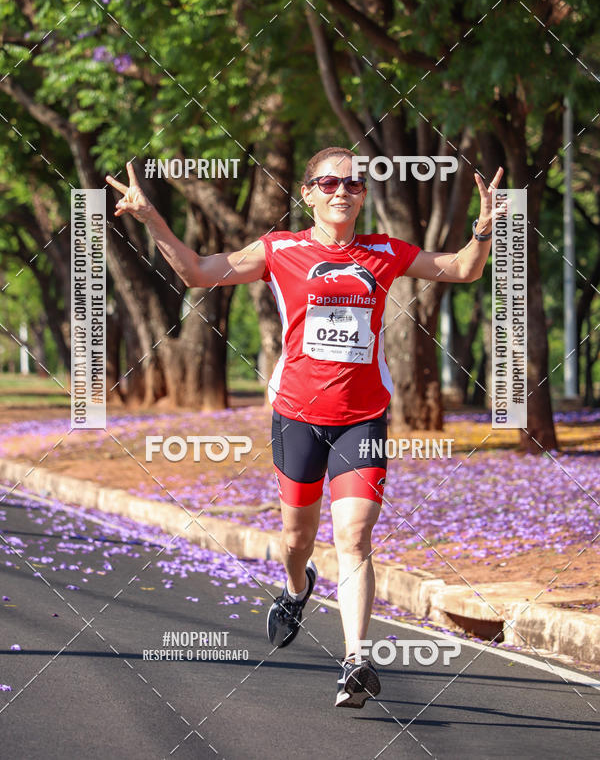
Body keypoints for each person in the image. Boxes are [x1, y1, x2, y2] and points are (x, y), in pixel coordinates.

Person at [107, 147, 503, 708]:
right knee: (298, 539)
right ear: (308, 193)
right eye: (329, 182)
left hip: (360, 418)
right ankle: (297, 589)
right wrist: (152, 219)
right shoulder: (280, 249)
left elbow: (463, 268)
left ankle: (356, 662)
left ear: (364, 196)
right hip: (295, 416)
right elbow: (197, 271)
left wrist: (483, 231)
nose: (343, 191)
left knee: (355, 537)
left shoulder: (386, 252)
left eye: (354, 184)